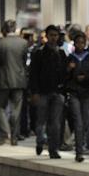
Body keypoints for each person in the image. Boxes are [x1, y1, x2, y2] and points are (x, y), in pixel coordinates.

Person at [27, 25, 67, 159]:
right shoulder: (39, 53)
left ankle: (53, 149)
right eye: (51, 35)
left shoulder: (61, 53)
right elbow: (33, 74)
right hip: (42, 92)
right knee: (41, 122)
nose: (54, 38)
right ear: (47, 36)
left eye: (56, 35)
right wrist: (34, 92)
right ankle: (40, 141)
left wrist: (63, 91)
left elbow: (64, 73)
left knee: (55, 123)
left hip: (57, 92)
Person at [64, 31, 89, 162]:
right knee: (78, 122)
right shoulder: (70, 58)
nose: (80, 45)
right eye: (78, 42)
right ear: (74, 43)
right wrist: (69, 69)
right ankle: (79, 151)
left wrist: (86, 78)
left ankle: (81, 142)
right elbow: (64, 77)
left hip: (86, 93)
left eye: (82, 43)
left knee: (85, 122)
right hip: (74, 92)